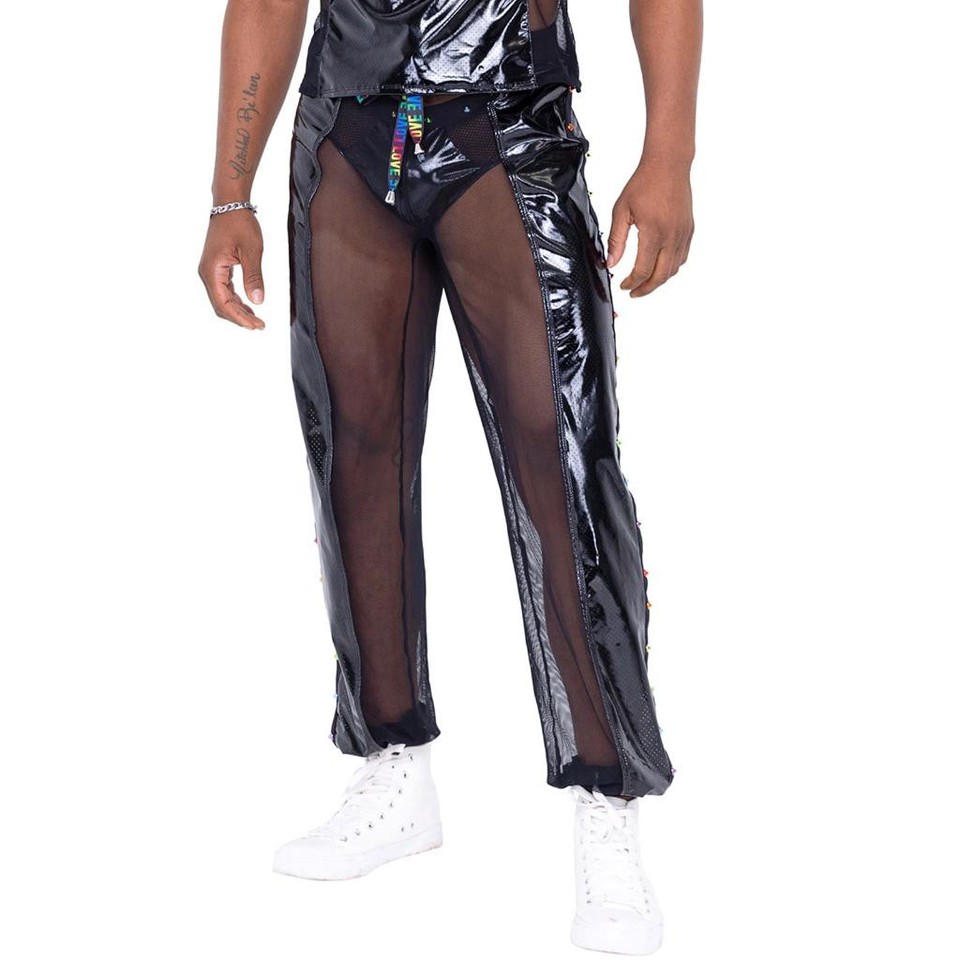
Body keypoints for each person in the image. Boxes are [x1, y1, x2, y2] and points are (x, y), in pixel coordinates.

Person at [198, 1, 701, 954]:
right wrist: (231, 197)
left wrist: (668, 153)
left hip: (506, 120)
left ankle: (608, 797)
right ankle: (392, 759)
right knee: (355, 450)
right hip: (346, 127)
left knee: (564, 461)